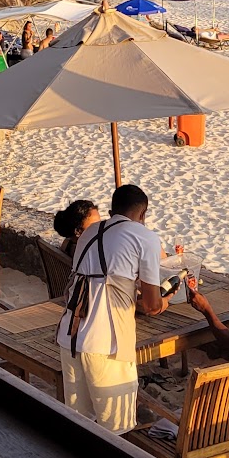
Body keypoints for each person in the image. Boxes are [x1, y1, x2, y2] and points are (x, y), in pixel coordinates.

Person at [57, 185, 167, 434]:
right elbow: (151, 305)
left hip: (70, 336)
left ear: (111, 210)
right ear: (143, 213)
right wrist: (164, 301)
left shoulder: (90, 231)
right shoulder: (144, 236)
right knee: (116, 430)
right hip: (106, 345)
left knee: (78, 421)